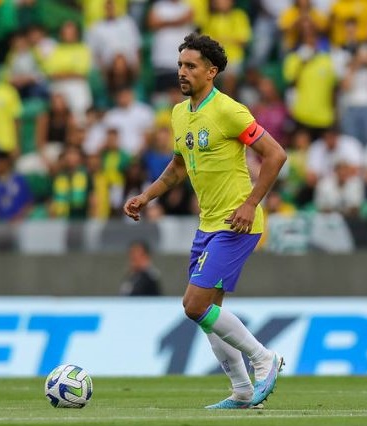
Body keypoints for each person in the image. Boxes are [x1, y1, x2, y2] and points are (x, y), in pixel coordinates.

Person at [123, 33, 287, 409]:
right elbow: (179, 166)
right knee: (209, 313)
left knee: (194, 305)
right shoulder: (180, 114)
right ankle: (243, 392)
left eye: (191, 66)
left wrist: (250, 204)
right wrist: (146, 196)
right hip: (208, 224)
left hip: (237, 222)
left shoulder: (229, 111)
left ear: (211, 72)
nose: (182, 72)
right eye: (180, 65)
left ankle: (264, 358)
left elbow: (275, 155)